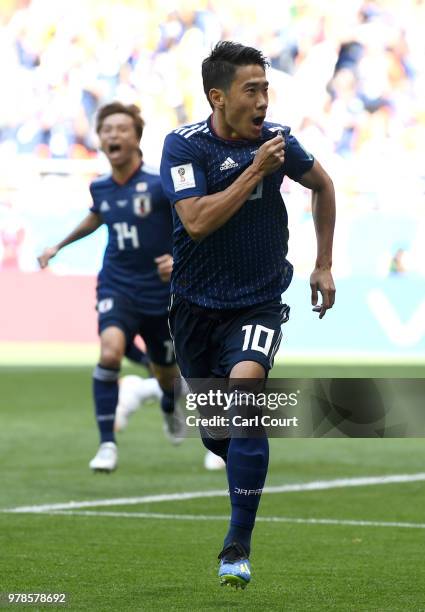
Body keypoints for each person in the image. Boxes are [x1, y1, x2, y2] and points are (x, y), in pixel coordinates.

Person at [160, 41, 335, 588]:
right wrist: (256, 170)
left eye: (266, 89)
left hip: (258, 300)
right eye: (251, 90)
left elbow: (323, 185)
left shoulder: (278, 143)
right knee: (222, 433)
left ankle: (237, 544)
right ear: (218, 96)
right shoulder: (184, 147)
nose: (263, 100)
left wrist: (323, 264)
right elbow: (196, 222)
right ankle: (232, 457)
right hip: (193, 308)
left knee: (247, 397)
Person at [38, 102, 185, 473]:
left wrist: (178, 259)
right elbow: (98, 215)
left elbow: (192, 223)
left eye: (122, 129)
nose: (113, 135)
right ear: (100, 140)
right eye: (107, 130)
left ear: (137, 138)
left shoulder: (159, 184)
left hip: (160, 293)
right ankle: (107, 445)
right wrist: (59, 245)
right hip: (117, 283)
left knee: (167, 375)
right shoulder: (100, 186)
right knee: (109, 352)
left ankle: (170, 403)